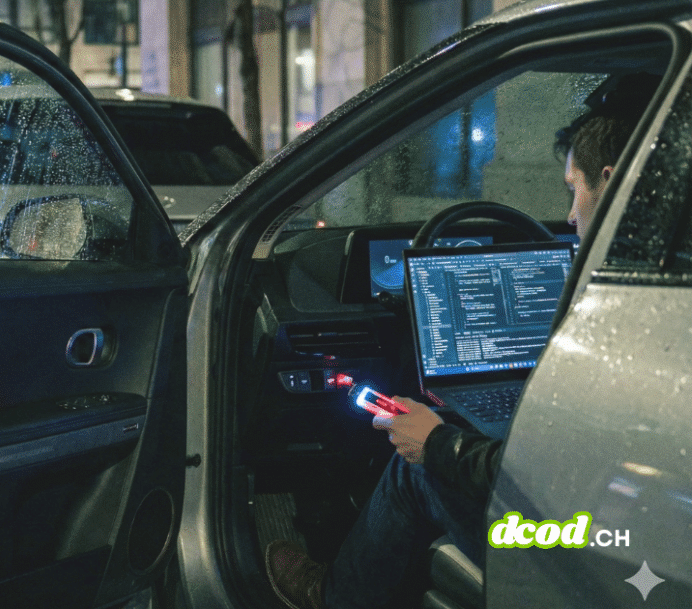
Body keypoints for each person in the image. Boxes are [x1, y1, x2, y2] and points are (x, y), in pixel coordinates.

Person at [264, 71, 661, 609]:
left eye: (575, 191)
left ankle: (330, 595)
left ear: (612, 182)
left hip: (599, 555)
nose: (570, 216)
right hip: (645, 523)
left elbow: (548, 472)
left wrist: (435, 442)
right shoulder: (658, 291)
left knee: (413, 469)